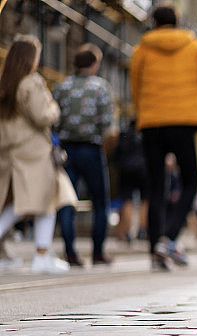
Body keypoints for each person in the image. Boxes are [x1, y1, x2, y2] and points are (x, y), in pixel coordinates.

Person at [130, 3, 197, 272]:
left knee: (156, 187)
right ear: (178, 21)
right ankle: (170, 238)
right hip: (185, 122)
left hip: (151, 124)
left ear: (153, 23)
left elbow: (135, 89)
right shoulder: (196, 47)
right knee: (190, 182)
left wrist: (142, 116)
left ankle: (155, 251)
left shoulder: (141, 49)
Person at [0, 35, 76, 274]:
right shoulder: (31, 82)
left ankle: (42, 255)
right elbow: (42, 116)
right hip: (34, 151)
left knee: (24, 203)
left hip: (10, 150)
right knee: (43, 201)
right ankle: (41, 256)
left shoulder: (5, 83)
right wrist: (54, 108)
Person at [52, 43, 114, 267]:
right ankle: (98, 252)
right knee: (100, 202)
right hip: (91, 148)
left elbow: (53, 118)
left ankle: (70, 252)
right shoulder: (101, 87)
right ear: (94, 64)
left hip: (66, 149)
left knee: (67, 199)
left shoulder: (61, 87)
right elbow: (107, 121)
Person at [113, 118, 149, 243]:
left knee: (127, 200)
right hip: (144, 169)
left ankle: (127, 231)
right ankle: (142, 229)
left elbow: (116, 153)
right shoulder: (147, 133)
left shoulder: (124, 133)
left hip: (127, 170)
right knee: (145, 199)